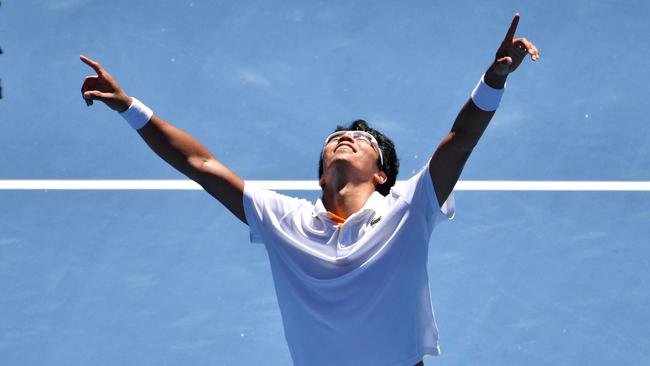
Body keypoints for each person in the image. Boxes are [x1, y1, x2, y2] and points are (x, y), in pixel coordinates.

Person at [80, 13, 538, 366]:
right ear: (322, 175)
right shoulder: (283, 219)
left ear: (381, 175)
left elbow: (460, 142)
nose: (347, 139)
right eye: (335, 142)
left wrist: (494, 80)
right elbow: (198, 163)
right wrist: (129, 107)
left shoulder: (409, 206)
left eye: (364, 142)